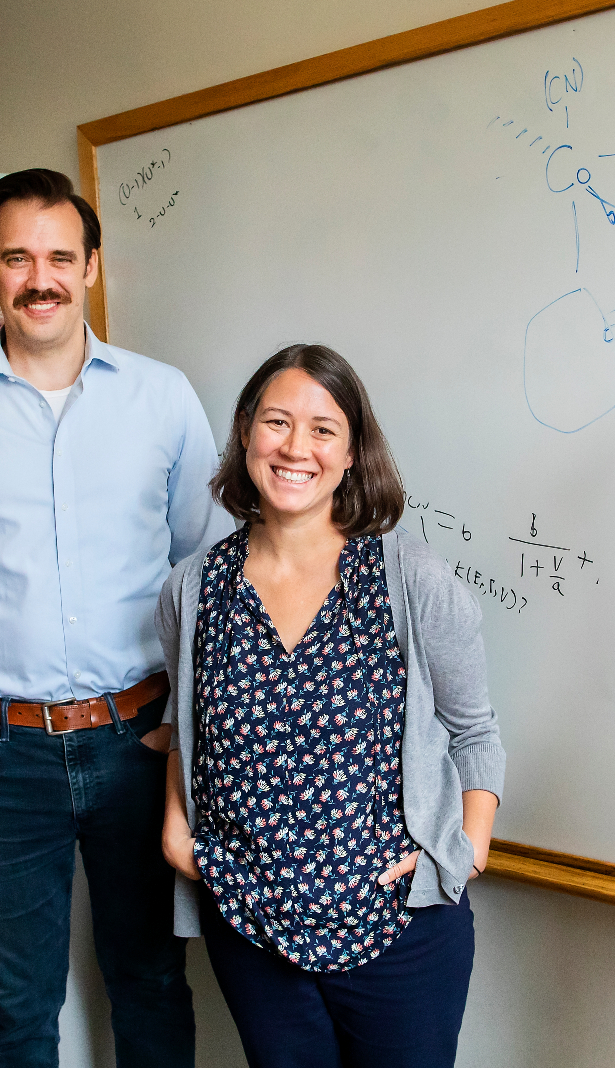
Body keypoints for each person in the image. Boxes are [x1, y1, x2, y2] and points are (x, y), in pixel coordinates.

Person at [0, 168, 230, 1067]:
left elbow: (207, 578)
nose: (42, 278)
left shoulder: (162, 398)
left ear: (93, 267)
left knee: (151, 988)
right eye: (18, 257)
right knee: (13, 1016)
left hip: (139, 744)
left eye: (61, 256)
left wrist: (186, 734)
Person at [158, 343, 504, 1068]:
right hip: (249, 923)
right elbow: (185, 726)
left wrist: (461, 854)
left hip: (399, 932)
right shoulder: (193, 589)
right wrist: (175, 829)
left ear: (352, 454)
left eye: (323, 429)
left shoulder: (410, 579)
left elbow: (474, 730)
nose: (295, 447)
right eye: (277, 422)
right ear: (247, 433)